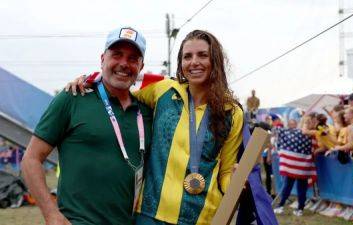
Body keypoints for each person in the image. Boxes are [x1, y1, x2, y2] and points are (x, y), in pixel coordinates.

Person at [66, 30, 243, 225]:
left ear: (216, 60)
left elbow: (226, 172)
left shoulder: (232, 112)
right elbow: (120, 81)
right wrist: (88, 79)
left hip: (201, 218)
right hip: (149, 215)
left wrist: (237, 181)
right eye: (187, 56)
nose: (194, 62)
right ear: (180, 63)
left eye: (202, 55)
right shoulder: (163, 90)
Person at [21, 26, 153, 225]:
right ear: (102, 59)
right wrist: (51, 214)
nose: (124, 64)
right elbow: (31, 159)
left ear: (141, 67)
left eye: (133, 58)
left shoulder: (148, 111)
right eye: (117, 55)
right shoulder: (73, 97)